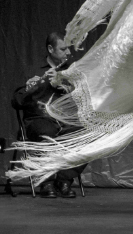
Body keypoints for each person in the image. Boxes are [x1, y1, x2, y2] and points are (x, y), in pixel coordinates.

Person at [13, 32, 87, 198]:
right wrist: (29, 88)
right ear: (50, 49)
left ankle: (64, 180)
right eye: (63, 49)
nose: (68, 53)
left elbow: (85, 100)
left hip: (65, 122)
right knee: (46, 132)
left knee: (87, 134)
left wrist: (64, 86)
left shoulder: (72, 72)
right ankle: (46, 182)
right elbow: (16, 101)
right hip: (38, 121)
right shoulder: (33, 70)